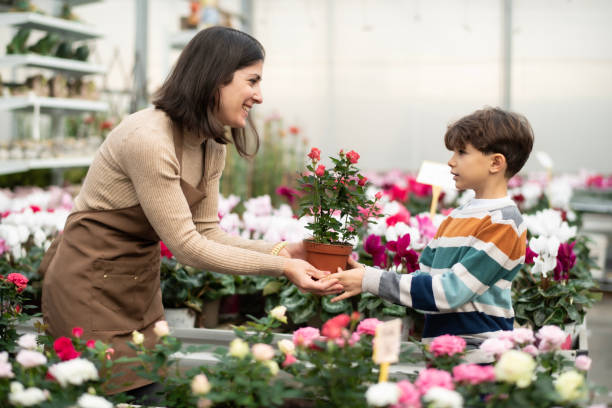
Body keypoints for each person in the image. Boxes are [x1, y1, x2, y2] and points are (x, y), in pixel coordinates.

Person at [39, 26, 341, 396]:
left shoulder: (211, 144)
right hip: (87, 287)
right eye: (252, 81)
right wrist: (282, 267)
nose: (259, 96)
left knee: (148, 388)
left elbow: (207, 232)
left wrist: (283, 250)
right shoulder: (149, 139)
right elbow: (186, 247)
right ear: (216, 79)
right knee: (106, 396)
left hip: (135, 289)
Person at [329, 107, 534, 342]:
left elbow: (450, 292)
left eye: (461, 152)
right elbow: (425, 278)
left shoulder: (504, 223)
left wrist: (371, 280)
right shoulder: (457, 216)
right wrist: (367, 278)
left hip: (480, 352)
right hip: (442, 348)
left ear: (496, 163)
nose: (451, 161)